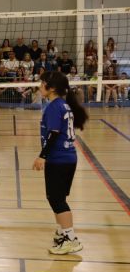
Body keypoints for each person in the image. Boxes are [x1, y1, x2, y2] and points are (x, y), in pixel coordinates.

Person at [33, 71, 88, 254]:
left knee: (56, 199)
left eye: (42, 83)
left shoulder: (55, 106)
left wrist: (43, 156)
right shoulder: (63, 105)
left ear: (52, 87)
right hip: (67, 158)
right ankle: (62, 233)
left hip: (59, 159)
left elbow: (53, 133)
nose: (40, 86)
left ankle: (71, 238)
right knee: (57, 198)